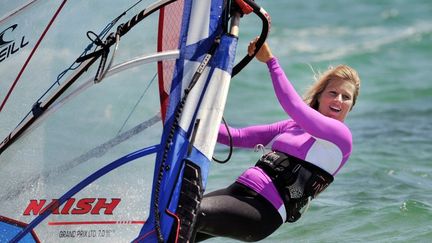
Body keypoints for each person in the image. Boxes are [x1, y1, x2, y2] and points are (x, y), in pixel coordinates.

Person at [191, 37, 361, 242]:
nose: (339, 100)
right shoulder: (292, 126)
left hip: (264, 210)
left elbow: (294, 106)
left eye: (346, 97)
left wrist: (271, 62)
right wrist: (191, 120)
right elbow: (237, 137)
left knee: (187, 214)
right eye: (333, 93)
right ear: (319, 97)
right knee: (168, 222)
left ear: (351, 106)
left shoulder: (340, 137)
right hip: (237, 192)